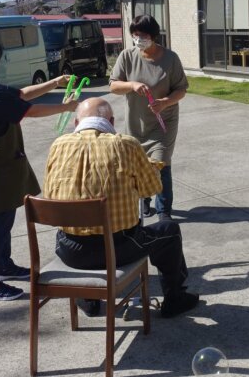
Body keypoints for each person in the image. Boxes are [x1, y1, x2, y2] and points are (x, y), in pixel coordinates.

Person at [44, 97, 199, 318]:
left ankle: (88, 298)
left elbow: (50, 196)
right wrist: (145, 170)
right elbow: (151, 189)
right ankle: (174, 297)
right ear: (112, 121)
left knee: (81, 228)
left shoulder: (58, 145)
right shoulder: (126, 144)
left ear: (76, 122)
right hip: (119, 249)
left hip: (70, 250)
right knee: (169, 231)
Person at [0, 35, 77, 302]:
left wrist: (56, 83)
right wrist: (66, 107)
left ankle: (3, 265)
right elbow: (29, 110)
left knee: (4, 220)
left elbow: (21, 95)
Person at [110, 15, 188, 222]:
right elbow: (113, 85)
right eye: (134, 35)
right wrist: (132, 85)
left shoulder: (171, 59)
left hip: (164, 122)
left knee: (161, 163)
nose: (138, 39)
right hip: (136, 122)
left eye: (142, 35)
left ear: (154, 35)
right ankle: (143, 198)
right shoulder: (127, 56)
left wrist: (164, 102)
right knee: (139, 164)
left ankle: (163, 211)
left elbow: (181, 89)